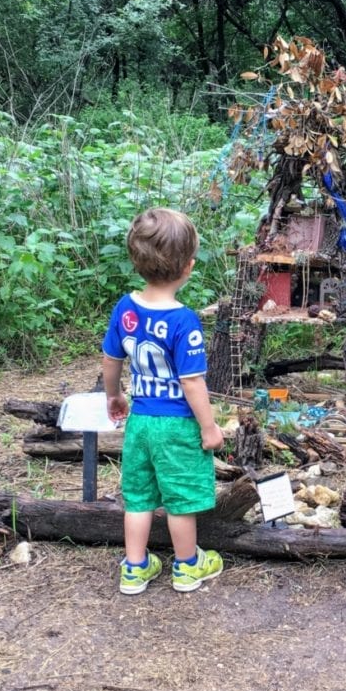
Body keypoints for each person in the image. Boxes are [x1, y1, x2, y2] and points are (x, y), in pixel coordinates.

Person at [102, 207, 225, 595]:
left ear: (136, 261)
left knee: (137, 496)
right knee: (180, 498)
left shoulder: (126, 308)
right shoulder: (183, 321)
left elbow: (112, 358)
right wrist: (209, 427)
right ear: (188, 267)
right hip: (177, 425)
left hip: (141, 421)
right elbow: (192, 383)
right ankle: (188, 565)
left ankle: (135, 567)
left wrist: (114, 395)